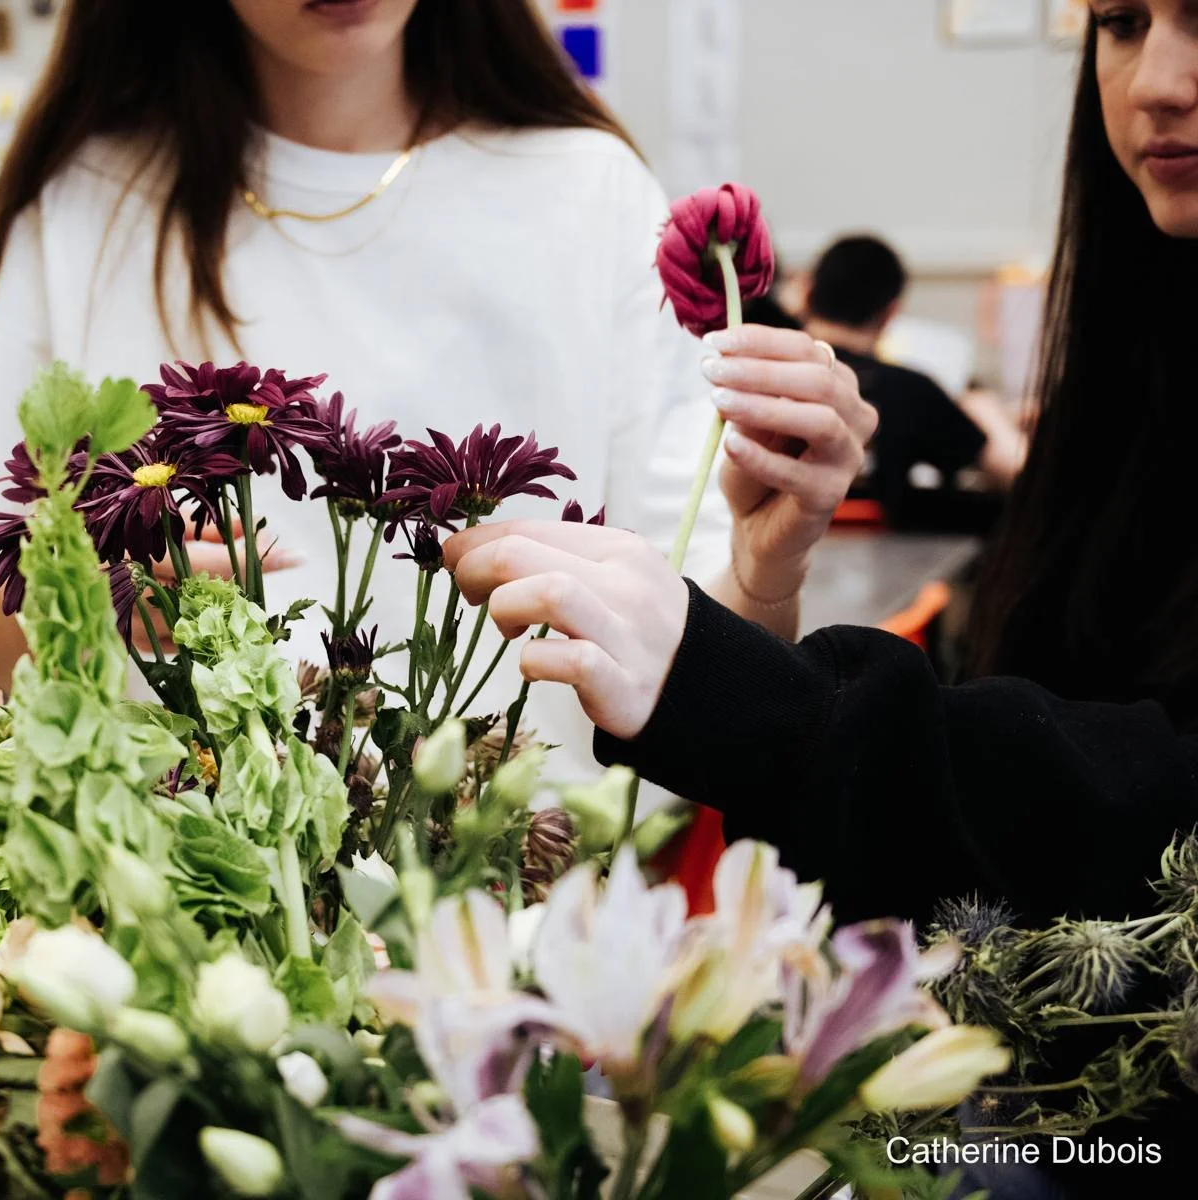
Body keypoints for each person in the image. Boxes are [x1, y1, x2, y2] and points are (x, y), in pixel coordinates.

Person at [443, 3, 1198, 1192]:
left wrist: (751, 699)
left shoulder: (589, 184)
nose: (1156, 79)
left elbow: (1140, 807)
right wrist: (763, 587)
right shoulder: (1123, 373)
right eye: (1118, 20)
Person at [0, 0, 874, 778]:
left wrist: (768, 566)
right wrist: (94, 600)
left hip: (528, 910)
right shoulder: (89, 203)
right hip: (184, 909)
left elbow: (713, 654)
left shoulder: (586, 192)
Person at [803, 234, 1027, 532]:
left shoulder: (764, 373)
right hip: (885, 563)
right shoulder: (912, 391)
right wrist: (987, 412)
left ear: (807, 292)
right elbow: (1017, 473)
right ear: (891, 312)